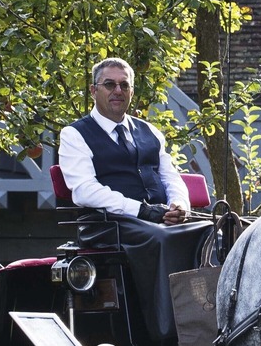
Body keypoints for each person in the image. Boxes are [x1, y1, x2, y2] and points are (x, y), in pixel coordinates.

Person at [57, 57, 189, 225]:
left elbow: (171, 178)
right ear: (93, 91)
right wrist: (140, 210)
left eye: (124, 85)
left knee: (216, 236)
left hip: (162, 224)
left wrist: (179, 204)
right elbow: (85, 190)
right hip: (113, 227)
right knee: (172, 241)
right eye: (109, 84)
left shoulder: (151, 132)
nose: (118, 91)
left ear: (132, 92)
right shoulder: (74, 135)